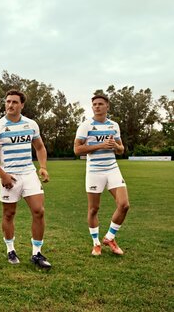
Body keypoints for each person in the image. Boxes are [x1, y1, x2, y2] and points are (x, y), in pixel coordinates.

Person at [0, 89, 52, 269]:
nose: (10, 105)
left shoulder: (31, 124)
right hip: (9, 176)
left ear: (22, 105)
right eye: (8, 102)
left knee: (39, 211)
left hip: (29, 174)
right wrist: (2, 174)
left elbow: (40, 147)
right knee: (9, 214)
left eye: (14, 102)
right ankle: (10, 249)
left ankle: (36, 253)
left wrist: (43, 167)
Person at [74, 94, 130, 256]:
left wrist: (115, 146)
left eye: (100, 104)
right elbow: (77, 150)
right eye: (94, 104)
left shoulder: (114, 125)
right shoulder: (86, 126)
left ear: (107, 106)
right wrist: (100, 145)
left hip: (112, 168)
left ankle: (110, 238)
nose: (97, 106)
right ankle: (96, 243)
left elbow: (121, 149)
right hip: (94, 171)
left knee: (124, 205)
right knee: (93, 209)